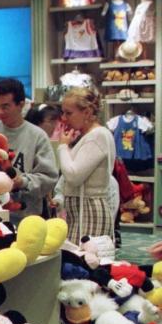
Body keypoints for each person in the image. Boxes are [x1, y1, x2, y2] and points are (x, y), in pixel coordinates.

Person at [0, 78, 58, 224]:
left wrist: (22, 182)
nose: (0, 112)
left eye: (5, 106)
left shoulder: (37, 136)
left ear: (21, 105)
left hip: (27, 219)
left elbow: (49, 178)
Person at [58, 87, 116, 243]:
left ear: (87, 112)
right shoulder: (90, 136)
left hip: (89, 210)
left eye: (68, 113)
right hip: (82, 209)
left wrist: (63, 146)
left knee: (86, 262)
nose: (64, 118)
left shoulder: (97, 136)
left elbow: (73, 176)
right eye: (63, 112)